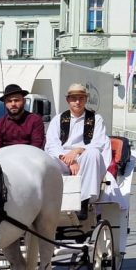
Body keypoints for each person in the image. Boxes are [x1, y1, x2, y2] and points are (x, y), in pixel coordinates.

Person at [45, 83, 109, 216]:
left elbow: (99, 142)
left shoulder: (96, 119)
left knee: (94, 154)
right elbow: (52, 144)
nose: (78, 102)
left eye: (81, 98)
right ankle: (50, 200)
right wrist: (68, 158)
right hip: (64, 158)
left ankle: (83, 201)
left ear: (86, 99)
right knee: (47, 160)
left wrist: (77, 151)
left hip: (85, 157)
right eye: (74, 98)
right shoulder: (58, 119)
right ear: (68, 100)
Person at [0, 83, 45, 151]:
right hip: (5, 159)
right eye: (9, 101)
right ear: (5, 104)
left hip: (30, 158)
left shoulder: (35, 120)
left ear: (24, 101)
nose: (13, 104)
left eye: (16, 100)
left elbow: (37, 146)